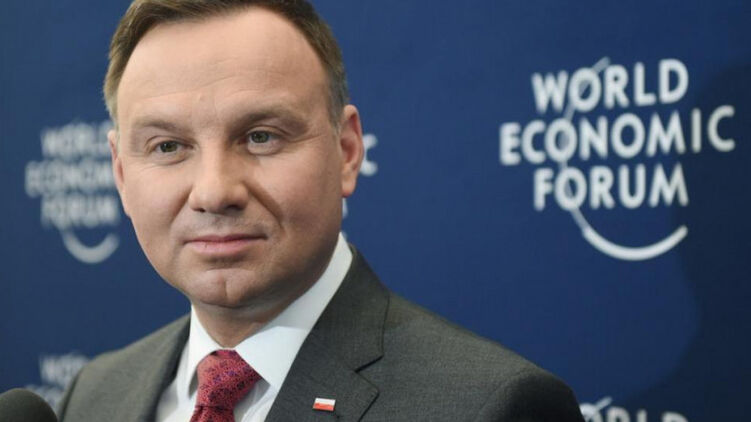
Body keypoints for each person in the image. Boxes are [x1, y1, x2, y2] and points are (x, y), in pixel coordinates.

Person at [58, 1, 585, 421]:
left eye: (261, 136)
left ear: (347, 151)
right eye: (168, 147)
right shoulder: (93, 397)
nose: (214, 192)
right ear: (121, 174)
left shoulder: (492, 407)